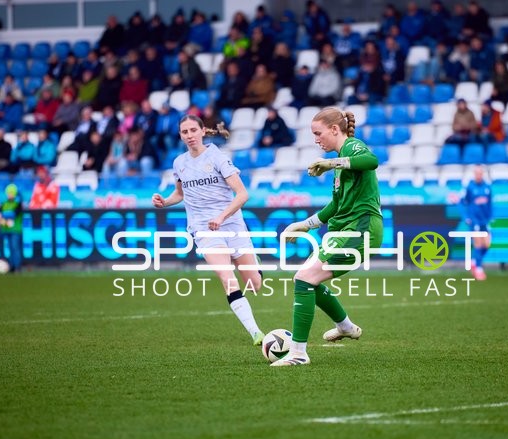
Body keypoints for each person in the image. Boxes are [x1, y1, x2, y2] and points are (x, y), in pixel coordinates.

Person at [275, 107, 383, 366]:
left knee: (303, 278)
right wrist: (305, 224)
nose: (316, 139)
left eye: (318, 133)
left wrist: (331, 163)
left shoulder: (352, 147)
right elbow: (335, 206)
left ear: (335, 129)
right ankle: (345, 327)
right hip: (347, 230)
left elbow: (372, 161)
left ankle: (298, 354)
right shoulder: (339, 164)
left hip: (361, 229)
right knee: (306, 281)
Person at [151, 115, 264, 346]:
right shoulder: (179, 163)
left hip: (231, 224)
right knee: (227, 278)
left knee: (254, 284)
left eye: (193, 130)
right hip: (203, 228)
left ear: (203, 131)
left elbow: (243, 195)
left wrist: (221, 216)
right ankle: (256, 333)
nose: (189, 135)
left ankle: (254, 267)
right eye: (185, 132)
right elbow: (180, 195)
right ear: (180, 135)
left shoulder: (218, 158)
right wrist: (165, 201)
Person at [461, 166, 492, 281]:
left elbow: (490, 204)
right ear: (474, 174)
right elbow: (463, 202)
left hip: (485, 220)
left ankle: (474, 262)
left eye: (480, 173)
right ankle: (479, 268)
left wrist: (490, 217)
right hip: (475, 220)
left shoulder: (487, 187)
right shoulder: (469, 187)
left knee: (487, 244)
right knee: (478, 244)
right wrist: (467, 217)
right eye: (476, 173)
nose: (478, 176)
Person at [0, 184, 23, 273]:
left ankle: (17, 266)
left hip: (15, 230)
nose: (10, 195)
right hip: (6, 230)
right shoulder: (4, 204)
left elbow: (13, 214)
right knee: (9, 249)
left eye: (11, 193)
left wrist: (1, 216)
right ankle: (11, 266)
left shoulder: (18, 204)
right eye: (8, 193)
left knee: (15, 248)